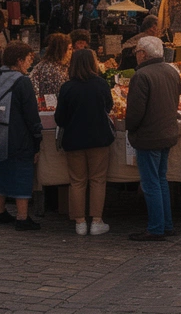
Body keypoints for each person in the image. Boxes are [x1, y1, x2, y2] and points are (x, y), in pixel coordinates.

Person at [124, 36, 181, 241]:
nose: (136, 56)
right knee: (160, 180)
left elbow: (135, 112)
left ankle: (157, 227)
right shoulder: (172, 71)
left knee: (151, 183)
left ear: (143, 54)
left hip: (149, 136)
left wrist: (129, 128)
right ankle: (166, 225)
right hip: (167, 133)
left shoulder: (141, 76)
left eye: (137, 52)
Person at [0, 41, 42, 230]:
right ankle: (22, 217)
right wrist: (37, 138)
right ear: (19, 60)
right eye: (29, 59)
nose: (30, 64)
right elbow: (31, 114)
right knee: (22, 173)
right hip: (18, 136)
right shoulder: (22, 82)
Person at [55, 48, 114, 236]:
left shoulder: (67, 88)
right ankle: (96, 221)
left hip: (74, 140)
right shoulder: (101, 84)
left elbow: (59, 119)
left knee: (77, 181)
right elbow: (109, 107)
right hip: (99, 139)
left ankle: (79, 222)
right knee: (97, 180)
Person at [30, 32, 71, 97]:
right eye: (69, 49)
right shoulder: (51, 69)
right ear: (61, 50)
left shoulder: (60, 66)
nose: (71, 52)